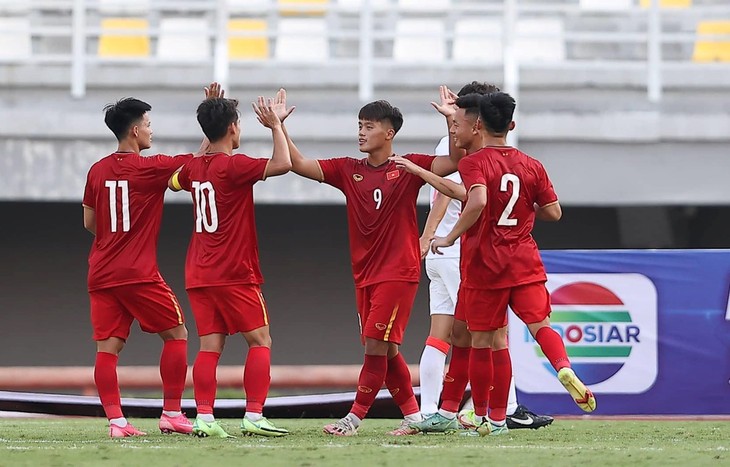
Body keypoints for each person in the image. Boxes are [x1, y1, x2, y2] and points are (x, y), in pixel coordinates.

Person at [276, 88, 463, 436]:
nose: (361, 132)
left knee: (377, 346)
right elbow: (299, 165)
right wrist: (279, 127)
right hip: (364, 274)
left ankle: (354, 418)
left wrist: (451, 119)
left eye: (369, 126)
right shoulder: (348, 170)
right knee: (387, 348)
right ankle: (413, 415)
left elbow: (453, 161)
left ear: (389, 133)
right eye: (359, 125)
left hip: (398, 272)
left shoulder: (409, 166)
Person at [430, 91, 596, 436]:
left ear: (478, 125)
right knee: (540, 325)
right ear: (512, 124)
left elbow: (476, 200)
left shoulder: (473, 163)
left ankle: (484, 417)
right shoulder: (532, 164)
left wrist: (448, 238)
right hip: (524, 260)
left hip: (485, 264)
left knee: (484, 342)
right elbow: (554, 212)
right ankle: (562, 366)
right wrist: (523, 207)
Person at [401, 82, 553, 431]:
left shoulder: (461, 145)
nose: (455, 125)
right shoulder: (478, 151)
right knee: (489, 336)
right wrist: (433, 236)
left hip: (448, 252)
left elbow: (458, 185)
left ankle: (441, 411)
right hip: (461, 253)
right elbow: (456, 195)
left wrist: (429, 238)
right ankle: (502, 410)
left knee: (449, 336)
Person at [82, 84, 218, 438]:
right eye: (148, 123)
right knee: (177, 335)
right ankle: (171, 413)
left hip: (100, 272)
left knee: (107, 349)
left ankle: (117, 422)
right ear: (134, 130)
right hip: (138, 273)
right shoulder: (151, 168)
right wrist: (210, 115)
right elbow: (199, 161)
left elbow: (89, 223)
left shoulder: (96, 170)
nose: (151, 129)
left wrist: (114, 238)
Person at [169, 89, 292, 438]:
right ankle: (253, 414)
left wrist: (207, 133)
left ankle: (205, 418)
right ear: (234, 128)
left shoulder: (194, 167)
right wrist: (275, 126)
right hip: (234, 272)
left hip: (199, 272)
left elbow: (173, 180)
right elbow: (283, 164)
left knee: (210, 346)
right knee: (260, 340)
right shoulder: (235, 166)